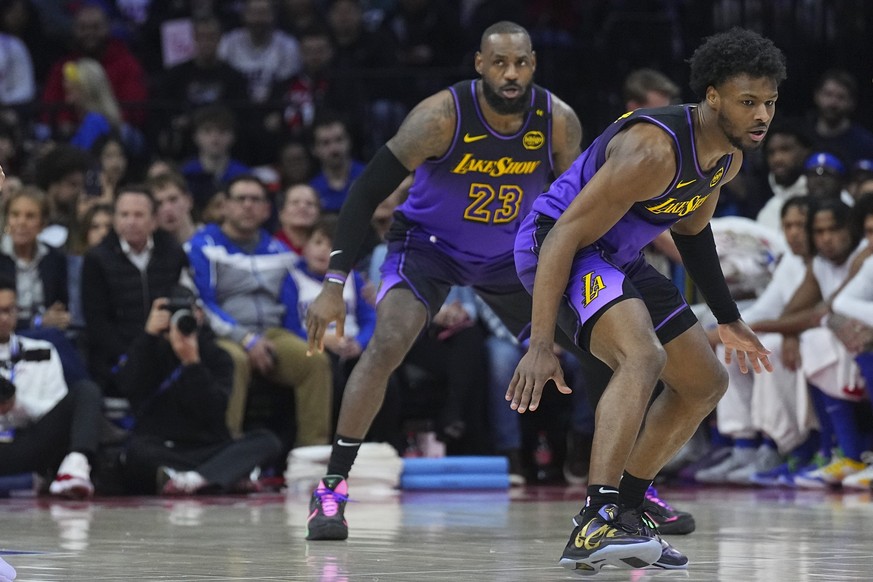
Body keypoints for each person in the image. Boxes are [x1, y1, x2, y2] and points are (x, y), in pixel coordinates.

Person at [508, 28, 783, 572]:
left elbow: (693, 232)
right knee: (643, 356)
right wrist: (541, 344)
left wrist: (729, 318)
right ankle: (596, 519)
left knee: (705, 382)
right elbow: (563, 236)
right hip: (556, 245)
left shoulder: (727, 159)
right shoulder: (653, 150)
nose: (762, 116)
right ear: (712, 97)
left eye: (770, 103)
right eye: (748, 101)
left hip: (617, 256)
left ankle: (629, 511)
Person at [303, 21, 582, 541]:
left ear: (533, 64)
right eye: (499, 63)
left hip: (510, 257)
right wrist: (333, 283)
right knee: (387, 342)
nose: (511, 73)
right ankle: (332, 489)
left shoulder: (559, 122)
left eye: (521, 63)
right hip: (428, 249)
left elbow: (577, 211)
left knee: (609, 349)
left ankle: (628, 493)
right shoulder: (440, 116)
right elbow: (365, 192)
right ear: (479, 64)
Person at [186, 175, 332, 443]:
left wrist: (360, 283)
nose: (248, 206)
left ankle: (312, 452)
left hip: (273, 333)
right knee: (234, 361)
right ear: (225, 206)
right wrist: (245, 338)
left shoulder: (280, 252)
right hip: (224, 335)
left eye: (255, 200)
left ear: (266, 210)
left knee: (314, 360)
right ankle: (228, 449)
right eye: (240, 199)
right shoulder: (202, 246)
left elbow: (307, 284)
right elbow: (202, 303)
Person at [119, 288, 282, 495]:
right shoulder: (149, 349)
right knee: (135, 453)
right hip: (162, 445)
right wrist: (148, 336)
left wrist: (192, 362)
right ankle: (223, 474)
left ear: (200, 315)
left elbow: (214, 409)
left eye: (188, 312)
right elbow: (128, 387)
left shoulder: (217, 356)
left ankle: (194, 479)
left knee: (267, 441)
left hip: (209, 446)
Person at [0, 275, 103, 499]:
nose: (4, 318)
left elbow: (55, 409)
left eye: (9, 310)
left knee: (86, 391)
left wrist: (17, 404)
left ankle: (74, 468)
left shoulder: (43, 350)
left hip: (29, 441)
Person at [82, 186, 188, 393]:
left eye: (138, 215)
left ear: (154, 220)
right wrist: (132, 354)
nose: (131, 222)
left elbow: (182, 297)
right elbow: (97, 322)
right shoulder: (97, 258)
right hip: (117, 354)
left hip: (166, 347)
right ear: (115, 219)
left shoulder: (173, 251)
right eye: (124, 215)